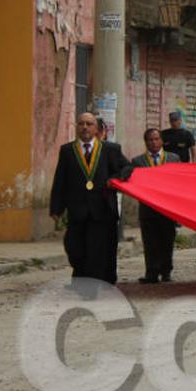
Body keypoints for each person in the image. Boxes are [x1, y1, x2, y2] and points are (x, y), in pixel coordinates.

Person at [49, 112, 131, 286]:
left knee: (97, 250)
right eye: (81, 124)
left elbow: (127, 168)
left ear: (96, 129)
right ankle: (82, 278)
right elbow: (60, 179)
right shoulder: (68, 151)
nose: (85, 127)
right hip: (77, 210)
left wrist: (115, 179)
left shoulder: (110, 149)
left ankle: (89, 286)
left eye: (89, 124)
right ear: (77, 127)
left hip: (102, 210)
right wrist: (56, 207)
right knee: (75, 249)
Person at [131, 128, 180, 284]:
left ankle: (166, 271)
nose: (154, 142)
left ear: (161, 141)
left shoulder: (173, 159)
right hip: (148, 210)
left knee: (167, 240)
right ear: (146, 142)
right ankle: (151, 272)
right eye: (150, 140)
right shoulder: (138, 161)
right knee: (150, 242)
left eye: (156, 139)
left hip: (167, 209)